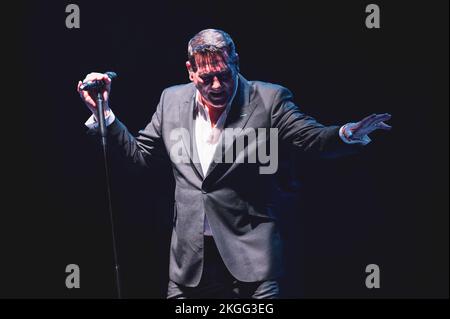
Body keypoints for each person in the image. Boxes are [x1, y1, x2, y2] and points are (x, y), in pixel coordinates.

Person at [77, 29, 391, 298]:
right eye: (206, 77)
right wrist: (104, 114)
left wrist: (346, 133)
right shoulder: (170, 101)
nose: (216, 86)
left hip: (252, 259)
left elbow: (310, 137)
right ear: (190, 71)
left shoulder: (268, 99)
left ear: (236, 64)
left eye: (224, 75)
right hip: (190, 263)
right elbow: (140, 158)